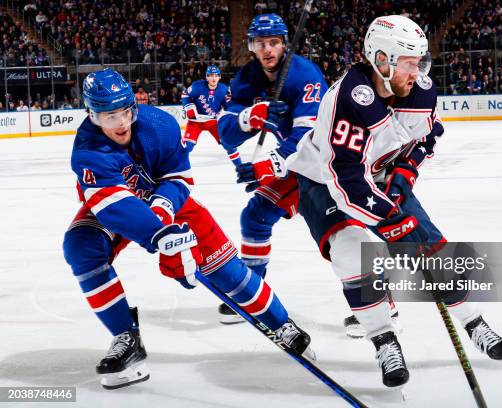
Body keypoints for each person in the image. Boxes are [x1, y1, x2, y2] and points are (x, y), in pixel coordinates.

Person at [287, 15, 502, 387]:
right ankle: (384, 339)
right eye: (410, 63)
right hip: (322, 180)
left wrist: (404, 176)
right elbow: (345, 180)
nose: (419, 72)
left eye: (421, 62)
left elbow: (426, 138)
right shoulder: (347, 100)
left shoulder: (420, 90)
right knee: (350, 251)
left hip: (380, 175)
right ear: (382, 61)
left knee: (430, 249)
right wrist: (391, 220)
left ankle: (474, 322)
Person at [62, 68, 313, 390]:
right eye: (109, 117)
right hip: (116, 210)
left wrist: (162, 211)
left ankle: (282, 324)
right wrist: (159, 234)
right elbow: (113, 205)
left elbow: (178, 178)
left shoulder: (160, 126)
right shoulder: (87, 151)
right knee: (81, 247)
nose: (121, 123)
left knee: (228, 273)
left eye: (125, 112)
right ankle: (126, 336)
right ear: (92, 116)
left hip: (170, 203)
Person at [216, 14, 328, 323]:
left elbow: (309, 136)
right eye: (261, 43)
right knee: (255, 217)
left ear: (285, 45)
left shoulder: (304, 74)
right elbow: (225, 130)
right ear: (251, 46)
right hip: (298, 166)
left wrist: (266, 165)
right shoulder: (246, 78)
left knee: (342, 235)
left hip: (329, 163)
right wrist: (251, 116)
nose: (268, 50)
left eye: (275, 43)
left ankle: (380, 305)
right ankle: (254, 295)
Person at [180, 65, 240, 164]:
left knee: (228, 144)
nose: (213, 78)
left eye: (216, 75)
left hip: (213, 122)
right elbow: (185, 94)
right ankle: (175, 170)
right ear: (206, 77)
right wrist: (189, 107)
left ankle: (241, 168)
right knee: (186, 147)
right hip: (195, 122)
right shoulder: (197, 86)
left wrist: (231, 117)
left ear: (219, 77)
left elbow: (228, 107)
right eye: (210, 75)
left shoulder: (224, 90)